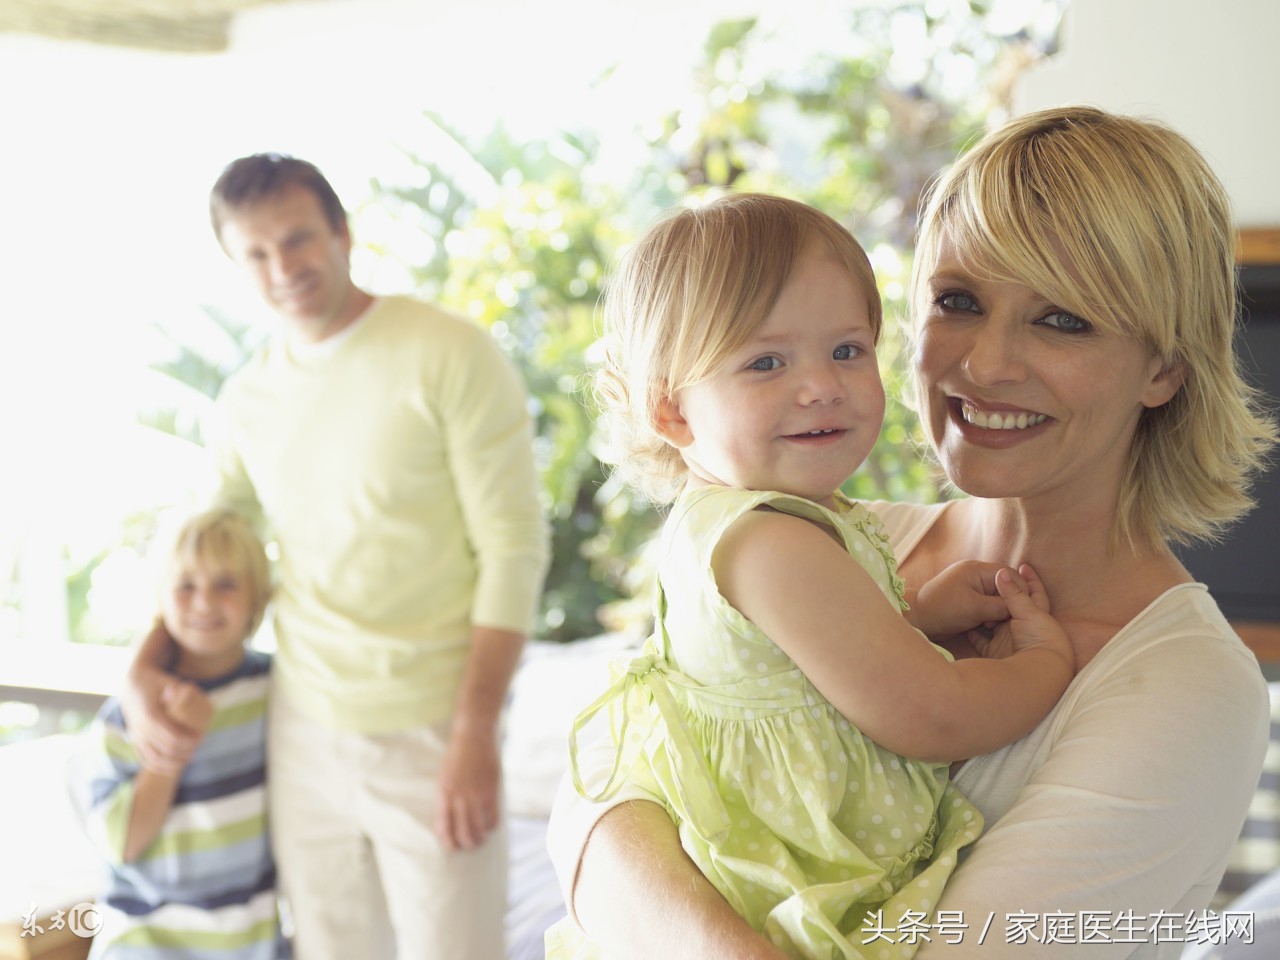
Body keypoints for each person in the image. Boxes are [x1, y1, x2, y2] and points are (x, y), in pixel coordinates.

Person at [547, 106, 1279, 959]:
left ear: (1164, 368)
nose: (985, 363)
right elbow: (603, 786)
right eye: (959, 301)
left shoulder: (1184, 686)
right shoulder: (823, 539)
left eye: (1063, 319)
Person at [545, 193, 1075, 959]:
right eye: (766, 361)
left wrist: (916, 613)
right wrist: (1045, 666)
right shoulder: (771, 542)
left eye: (847, 350)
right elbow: (932, 718)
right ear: (674, 415)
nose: (821, 385)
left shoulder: (753, 522)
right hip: (776, 894)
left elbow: (793, 663)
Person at [123, 154, 549, 959]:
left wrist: (473, 734)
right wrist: (141, 672)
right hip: (302, 723)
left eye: (298, 240)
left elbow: (514, 548)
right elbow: (207, 555)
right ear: (233, 265)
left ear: (342, 234)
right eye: (255, 253)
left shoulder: (449, 351)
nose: (283, 268)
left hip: (435, 724)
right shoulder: (246, 398)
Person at [79, 509, 282, 959]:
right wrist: (171, 748)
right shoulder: (126, 715)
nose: (204, 602)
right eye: (185, 585)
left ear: (257, 597)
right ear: (161, 599)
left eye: (226, 584)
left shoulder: (274, 690)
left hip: (250, 944)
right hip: (145, 942)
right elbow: (123, 843)